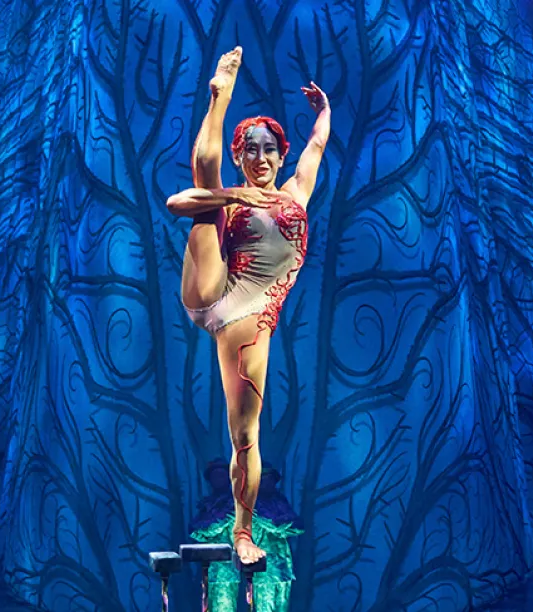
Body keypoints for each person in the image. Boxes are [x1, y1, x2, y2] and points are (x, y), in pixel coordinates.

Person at [166, 46, 330, 564]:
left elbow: (317, 147)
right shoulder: (235, 195)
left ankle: (243, 532)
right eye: (249, 150)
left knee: (244, 434)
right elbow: (176, 202)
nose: (260, 158)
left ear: (281, 157)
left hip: (249, 320)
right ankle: (219, 97)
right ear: (239, 157)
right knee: (205, 199)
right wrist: (234, 197)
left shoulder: (296, 194)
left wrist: (323, 112)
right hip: (212, 286)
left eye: (268, 150)